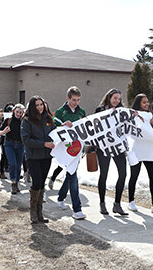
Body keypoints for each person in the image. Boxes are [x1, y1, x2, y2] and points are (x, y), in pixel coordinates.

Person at [52, 86, 87, 220]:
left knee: (70, 175)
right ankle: (77, 209)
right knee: (73, 177)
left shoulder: (82, 112)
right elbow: (54, 130)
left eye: (78, 100)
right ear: (68, 98)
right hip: (65, 149)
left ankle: (61, 197)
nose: (76, 103)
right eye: (73, 100)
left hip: (77, 150)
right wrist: (62, 126)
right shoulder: (60, 112)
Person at [127, 94, 153, 214]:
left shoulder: (149, 116)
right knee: (134, 176)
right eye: (144, 102)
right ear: (139, 103)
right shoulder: (133, 116)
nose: (147, 104)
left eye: (147, 102)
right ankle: (131, 201)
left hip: (150, 151)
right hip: (138, 150)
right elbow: (135, 131)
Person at [21, 95, 55, 224]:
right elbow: (26, 140)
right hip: (33, 156)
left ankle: (40, 211)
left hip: (46, 156)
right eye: (37, 105)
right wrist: (44, 144)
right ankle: (33, 211)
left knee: (42, 183)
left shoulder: (48, 119)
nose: (40, 107)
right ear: (32, 107)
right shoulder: (27, 121)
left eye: (41, 104)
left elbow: (54, 132)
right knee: (37, 182)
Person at [94, 88, 128, 216]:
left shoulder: (122, 112)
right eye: (115, 98)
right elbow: (95, 128)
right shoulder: (99, 110)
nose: (117, 101)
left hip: (118, 147)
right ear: (109, 97)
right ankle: (102, 204)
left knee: (123, 174)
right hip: (103, 147)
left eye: (119, 99)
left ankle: (117, 204)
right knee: (104, 175)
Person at [0, 104, 25, 194]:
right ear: (14, 111)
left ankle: (16, 182)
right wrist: (4, 132)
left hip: (20, 145)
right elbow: (0, 131)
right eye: (17, 112)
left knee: (18, 165)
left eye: (20, 112)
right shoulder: (8, 120)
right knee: (12, 164)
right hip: (9, 144)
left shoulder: (23, 122)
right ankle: (13, 182)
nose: (18, 114)